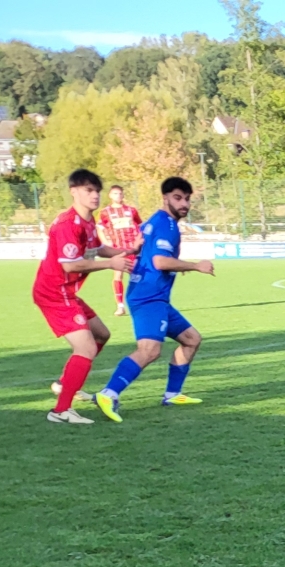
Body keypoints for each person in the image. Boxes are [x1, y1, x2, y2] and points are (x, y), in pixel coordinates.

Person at [94, 177, 215, 422]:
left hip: (155, 296)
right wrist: (195, 266)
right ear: (165, 198)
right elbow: (160, 261)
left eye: (187, 199)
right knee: (149, 350)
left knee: (191, 339)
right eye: (177, 198)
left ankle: (172, 394)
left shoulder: (154, 221)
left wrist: (176, 265)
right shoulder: (166, 225)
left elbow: (148, 253)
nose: (184, 204)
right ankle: (108, 393)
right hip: (149, 296)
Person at [32, 168, 134, 425]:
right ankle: (61, 411)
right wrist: (111, 265)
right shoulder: (68, 224)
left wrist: (127, 251)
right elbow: (70, 265)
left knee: (101, 335)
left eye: (97, 190)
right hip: (54, 293)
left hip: (66, 292)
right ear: (74, 192)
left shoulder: (88, 221)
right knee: (86, 348)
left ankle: (65, 384)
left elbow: (97, 248)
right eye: (89, 190)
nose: (95, 195)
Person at [95, 184, 143, 316]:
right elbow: (99, 228)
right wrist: (105, 242)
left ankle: (140, 304)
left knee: (137, 275)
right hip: (117, 248)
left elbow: (140, 226)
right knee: (118, 275)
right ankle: (120, 306)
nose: (118, 196)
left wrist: (140, 241)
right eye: (115, 193)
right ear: (110, 195)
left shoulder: (131, 210)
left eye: (120, 193)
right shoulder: (105, 212)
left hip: (133, 248)